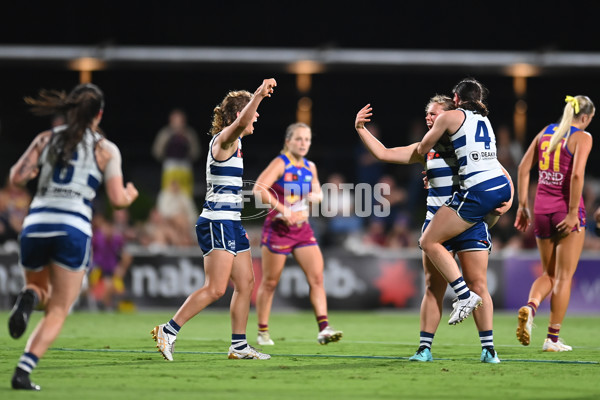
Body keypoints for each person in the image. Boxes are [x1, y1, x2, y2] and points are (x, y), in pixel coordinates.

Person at [355, 95, 512, 364]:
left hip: (469, 223)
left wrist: (506, 205)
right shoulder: (425, 149)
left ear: (450, 116)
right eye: (427, 114)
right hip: (437, 220)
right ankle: (424, 349)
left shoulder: (467, 144)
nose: (429, 118)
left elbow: (500, 176)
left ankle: (489, 349)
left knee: (478, 284)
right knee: (432, 288)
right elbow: (383, 153)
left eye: (434, 113)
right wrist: (360, 128)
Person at [7, 83, 139, 391]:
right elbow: (117, 199)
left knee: (39, 289)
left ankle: (28, 297)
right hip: (72, 227)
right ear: (99, 114)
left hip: (36, 223)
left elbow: (16, 177)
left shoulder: (46, 138)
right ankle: (23, 371)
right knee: (59, 308)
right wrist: (130, 194)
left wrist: (33, 174)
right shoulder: (105, 148)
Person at [151, 78, 277, 361]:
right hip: (216, 221)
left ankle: (239, 345)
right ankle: (167, 331)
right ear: (238, 116)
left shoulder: (237, 142)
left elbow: (244, 121)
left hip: (231, 222)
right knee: (216, 288)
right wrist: (258, 94)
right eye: (252, 112)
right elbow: (243, 119)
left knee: (246, 283)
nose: (257, 116)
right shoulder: (224, 141)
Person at [415, 78, 512, 325]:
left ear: (456, 99)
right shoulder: (484, 121)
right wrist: (510, 198)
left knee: (428, 240)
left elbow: (421, 148)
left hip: (476, 192)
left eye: (433, 114)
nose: (431, 118)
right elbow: (496, 165)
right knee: (475, 277)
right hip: (498, 188)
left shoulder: (452, 118)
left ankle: (463, 295)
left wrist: (427, 151)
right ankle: (488, 348)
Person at [514, 95, 595, 352]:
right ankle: (552, 338)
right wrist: (573, 212)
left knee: (547, 274)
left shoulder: (546, 132)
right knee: (563, 277)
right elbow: (578, 174)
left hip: (541, 210)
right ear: (585, 117)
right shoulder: (583, 137)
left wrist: (523, 205)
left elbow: (524, 167)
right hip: (565, 211)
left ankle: (530, 306)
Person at [253, 122, 343, 346]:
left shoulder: (309, 166)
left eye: (307, 139)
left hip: (302, 230)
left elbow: (317, 192)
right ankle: (262, 332)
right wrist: (283, 211)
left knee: (317, 278)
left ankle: (324, 328)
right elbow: (258, 189)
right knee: (270, 282)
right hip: (279, 230)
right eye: (299, 139)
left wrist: (316, 198)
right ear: (288, 142)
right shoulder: (280, 163)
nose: (303, 144)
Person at [152, 108, 201, 198]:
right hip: (170, 165)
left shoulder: (189, 133)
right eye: (175, 120)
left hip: (185, 166)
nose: (178, 123)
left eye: (180, 120)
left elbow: (195, 152)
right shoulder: (165, 133)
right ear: (171, 121)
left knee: (186, 194)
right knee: (168, 193)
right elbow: (157, 151)